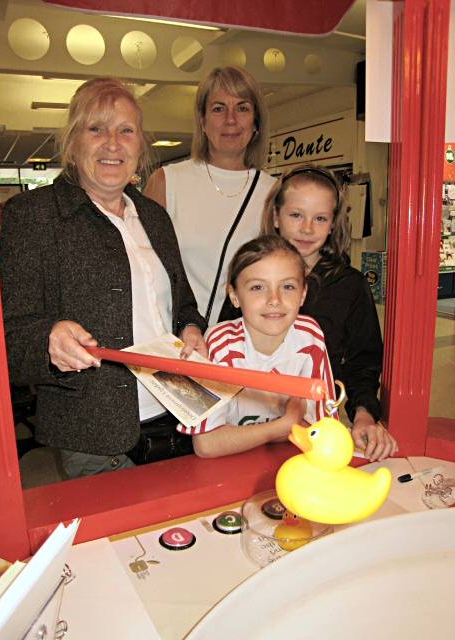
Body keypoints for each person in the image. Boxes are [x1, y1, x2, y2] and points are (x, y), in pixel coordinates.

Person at [0, 77, 207, 479]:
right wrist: (49, 339)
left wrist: (192, 329)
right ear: (74, 142)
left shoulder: (154, 218)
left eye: (126, 130)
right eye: (97, 128)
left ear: (140, 145)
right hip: (94, 436)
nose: (113, 143)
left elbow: (183, 307)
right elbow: (8, 335)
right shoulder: (34, 216)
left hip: (179, 417)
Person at [261, 164, 398, 462]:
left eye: (320, 218)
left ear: (333, 224)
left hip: (319, 428)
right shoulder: (250, 275)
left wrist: (364, 415)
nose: (307, 229)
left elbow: (363, 363)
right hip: (253, 425)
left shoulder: (350, 286)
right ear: (275, 217)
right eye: (296, 215)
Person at [177, 235, 336, 458]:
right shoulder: (219, 343)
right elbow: (207, 445)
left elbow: (324, 433)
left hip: (289, 460)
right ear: (234, 296)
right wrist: (285, 425)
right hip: (229, 466)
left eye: (288, 286)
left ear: (303, 294)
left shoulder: (309, 336)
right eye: (258, 287)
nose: (274, 299)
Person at [144, 66, 276, 325]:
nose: (230, 119)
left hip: (242, 343)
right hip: (175, 339)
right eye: (218, 108)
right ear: (202, 121)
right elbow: (144, 270)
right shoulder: (166, 182)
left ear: (256, 122)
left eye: (242, 108)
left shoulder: (273, 192)